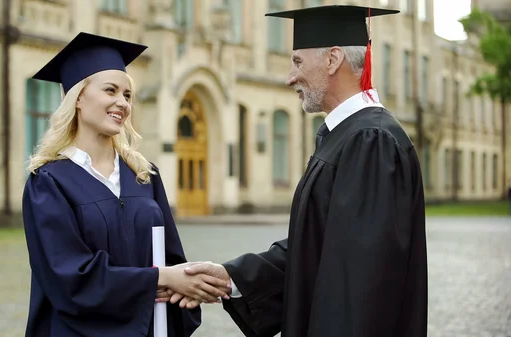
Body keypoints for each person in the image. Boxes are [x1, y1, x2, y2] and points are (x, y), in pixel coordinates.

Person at [174, 5, 429, 337]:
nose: (290, 77)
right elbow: (318, 251)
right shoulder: (345, 136)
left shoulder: (370, 142)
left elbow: (359, 289)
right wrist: (232, 277)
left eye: (297, 62)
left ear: (332, 59)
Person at [21, 32, 230, 337]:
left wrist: (188, 282)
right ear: (78, 97)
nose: (122, 103)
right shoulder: (49, 183)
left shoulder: (144, 175)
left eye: (128, 95)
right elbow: (70, 280)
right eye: (111, 91)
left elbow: (171, 260)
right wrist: (162, 279)